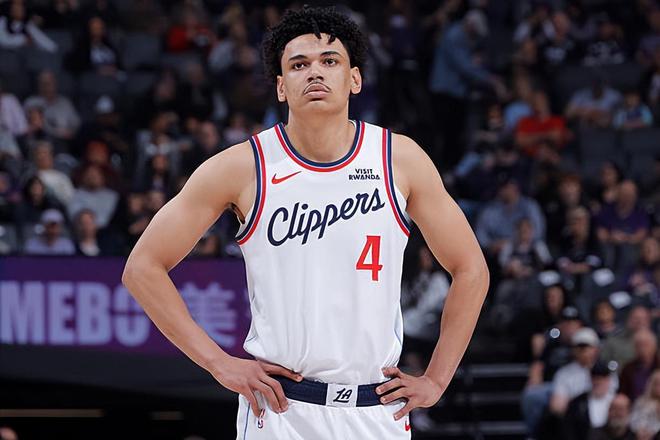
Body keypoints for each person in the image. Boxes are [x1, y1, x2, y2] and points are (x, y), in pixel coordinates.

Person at [122, 7, 489, 440]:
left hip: (376, 412)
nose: (315, 72)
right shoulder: (242, 166)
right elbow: (142, 267)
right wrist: (218, 364)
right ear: (281, 86)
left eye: (329, 61)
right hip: (282, 411)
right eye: (298, 65)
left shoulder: (399, 158)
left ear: (354, 79)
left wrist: (437, 380)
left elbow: (471, 269)